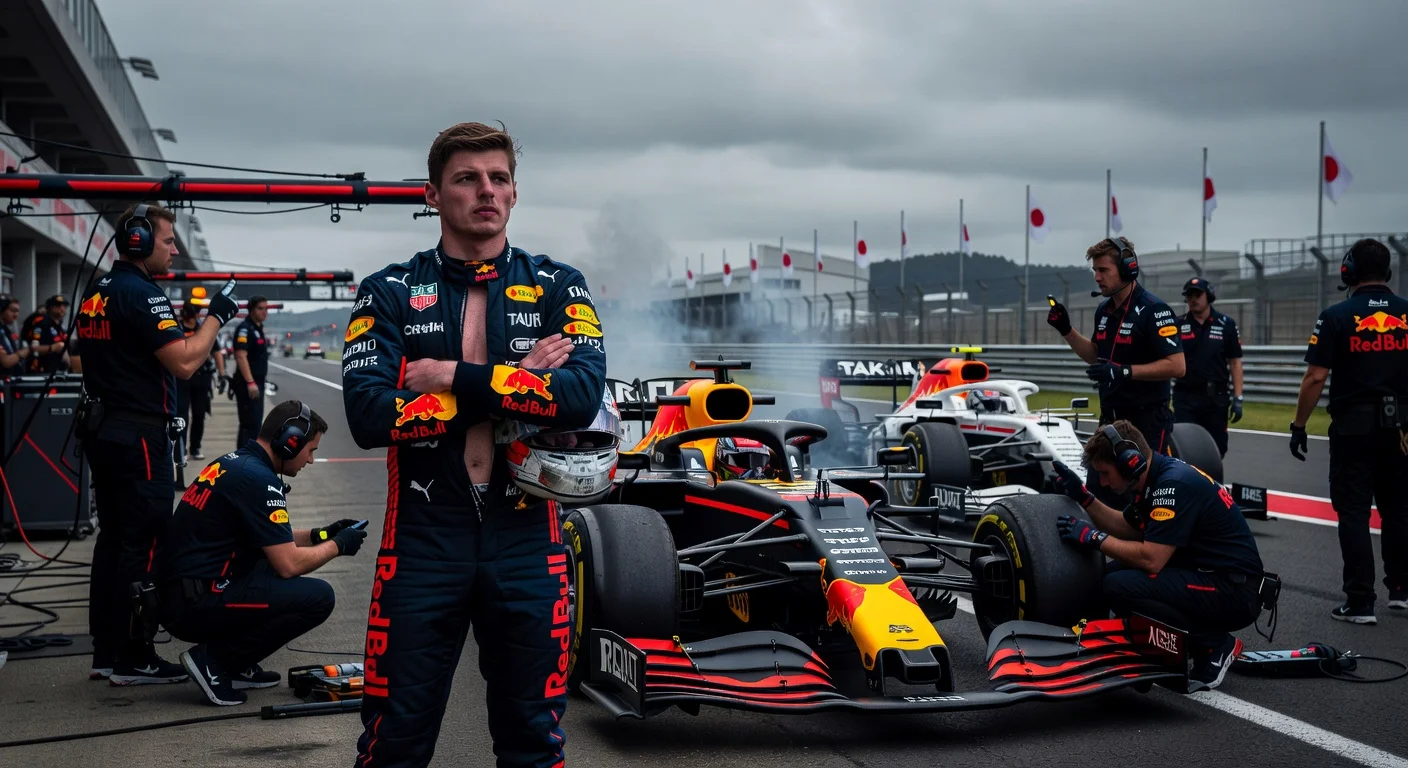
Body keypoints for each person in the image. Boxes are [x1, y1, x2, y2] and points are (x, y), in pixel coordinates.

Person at [344, 122, 608, 768]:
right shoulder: (388, 292)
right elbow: (370, 413)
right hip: (421, 545)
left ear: (515, 194)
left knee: (534, 744)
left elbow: (580, 396)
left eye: (499, 178)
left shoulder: (557, 285)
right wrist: (517, 384)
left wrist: (448, 378)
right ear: (433, 194)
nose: (486, 191)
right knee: (393, 743)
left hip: (529, 544)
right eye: (467, 179)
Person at [74, 202, 240, 685]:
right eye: (168, 241)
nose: (173, 250)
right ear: (139, 242)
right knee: (145, 544)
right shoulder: (144, 295)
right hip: (138, 437)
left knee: (113, 542)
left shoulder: (99, 290)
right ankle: (135, 656)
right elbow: (186, 363)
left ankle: (107, 651)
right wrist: (216, 317)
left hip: (105, 430)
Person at [154, 400, 366, 706]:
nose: (310, 460)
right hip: (193, 602)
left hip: (184, 591)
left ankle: (235, 664)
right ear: (289, 442)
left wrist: (322, 534)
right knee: (318, 597)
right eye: (311, 450)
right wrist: (338, 546)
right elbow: (288, 564)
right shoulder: (259, 480)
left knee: (266, 568)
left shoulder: (240, 463)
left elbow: (268, 538)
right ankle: (213, 660)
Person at [1049, 420, 1264, 692]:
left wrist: (1093, 538)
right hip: (1212, 578)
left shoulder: (1171, 486)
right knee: (1113, 573)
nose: (1102, 481)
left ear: (1130, 463)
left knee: (1119, 586)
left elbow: (1152, 559)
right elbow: (1125, 528)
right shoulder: (1154, 478)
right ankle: (1157, 648)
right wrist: (1084, 497)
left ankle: (1213, 644)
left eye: (1104, 473)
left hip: (1234, 590)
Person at [1292, 238, 1408, 623]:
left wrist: (1299, 425)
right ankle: (1402, 591)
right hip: (1403, 430)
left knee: (1355, 512)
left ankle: (1360, 602)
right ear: (1388, 273)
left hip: (1354, 429)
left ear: (1348, 271)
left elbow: (1314, 378)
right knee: (1399, 509)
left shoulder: (1336, 316)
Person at [1047, 237, 1185, 505]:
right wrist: (1066, 329)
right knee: (1098, 497)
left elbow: (1177, 366)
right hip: (1109, 422)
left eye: (1103, 270)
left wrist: (1123, 372)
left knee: (1140, 501)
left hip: (1144, 424)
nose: (1097, 277)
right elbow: (1095, 356)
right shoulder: (1104, 311)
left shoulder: (1154, 311)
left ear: (1127, 269)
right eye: (1094, 271)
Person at [1172, 278, 1244, 457]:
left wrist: (1238, 398)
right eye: (1190, 296)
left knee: (1217, 449)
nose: (1194, 299)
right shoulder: (1177, 325)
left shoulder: (1226, 324)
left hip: (1216, 400)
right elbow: (1168, 361)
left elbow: (1235, 363)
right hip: (1186, 398)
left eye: (1198, 294)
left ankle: (1212, 484)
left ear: (1209, 296)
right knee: (1185, 448)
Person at [175, 301, 218, 462]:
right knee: (181, 415)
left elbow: (216, 351)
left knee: (199, 414)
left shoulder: (203, 329)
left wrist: (221, 373)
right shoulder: (176, 328)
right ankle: (181, 449)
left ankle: (195, 447)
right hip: (182, 377)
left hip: (202, 377)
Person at [232, 296, 270, 448]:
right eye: (260, 308)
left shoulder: (258, 328)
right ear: (251, 310)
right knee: (249, 424)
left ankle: (249, 458)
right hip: (248, 384)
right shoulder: (244, 329)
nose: (264, 312)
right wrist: (250, 382)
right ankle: (243, 459)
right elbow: (241, 356)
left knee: (255, 425)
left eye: (266, 308)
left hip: (258, 382)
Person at [28, 293, 72, 374]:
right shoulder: (41, 323)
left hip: (60, 370)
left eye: (64, 306)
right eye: (58, 306)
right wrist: (53, 348)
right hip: (43, 371)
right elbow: (33, 348)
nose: (62, 309)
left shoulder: (60, 326)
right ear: (50, 307)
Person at [0, 295, 33, 375]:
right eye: (12, 311)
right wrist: (23, 353)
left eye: (17, 311)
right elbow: (6, 362)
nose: (16, 315)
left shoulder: (6, 329)